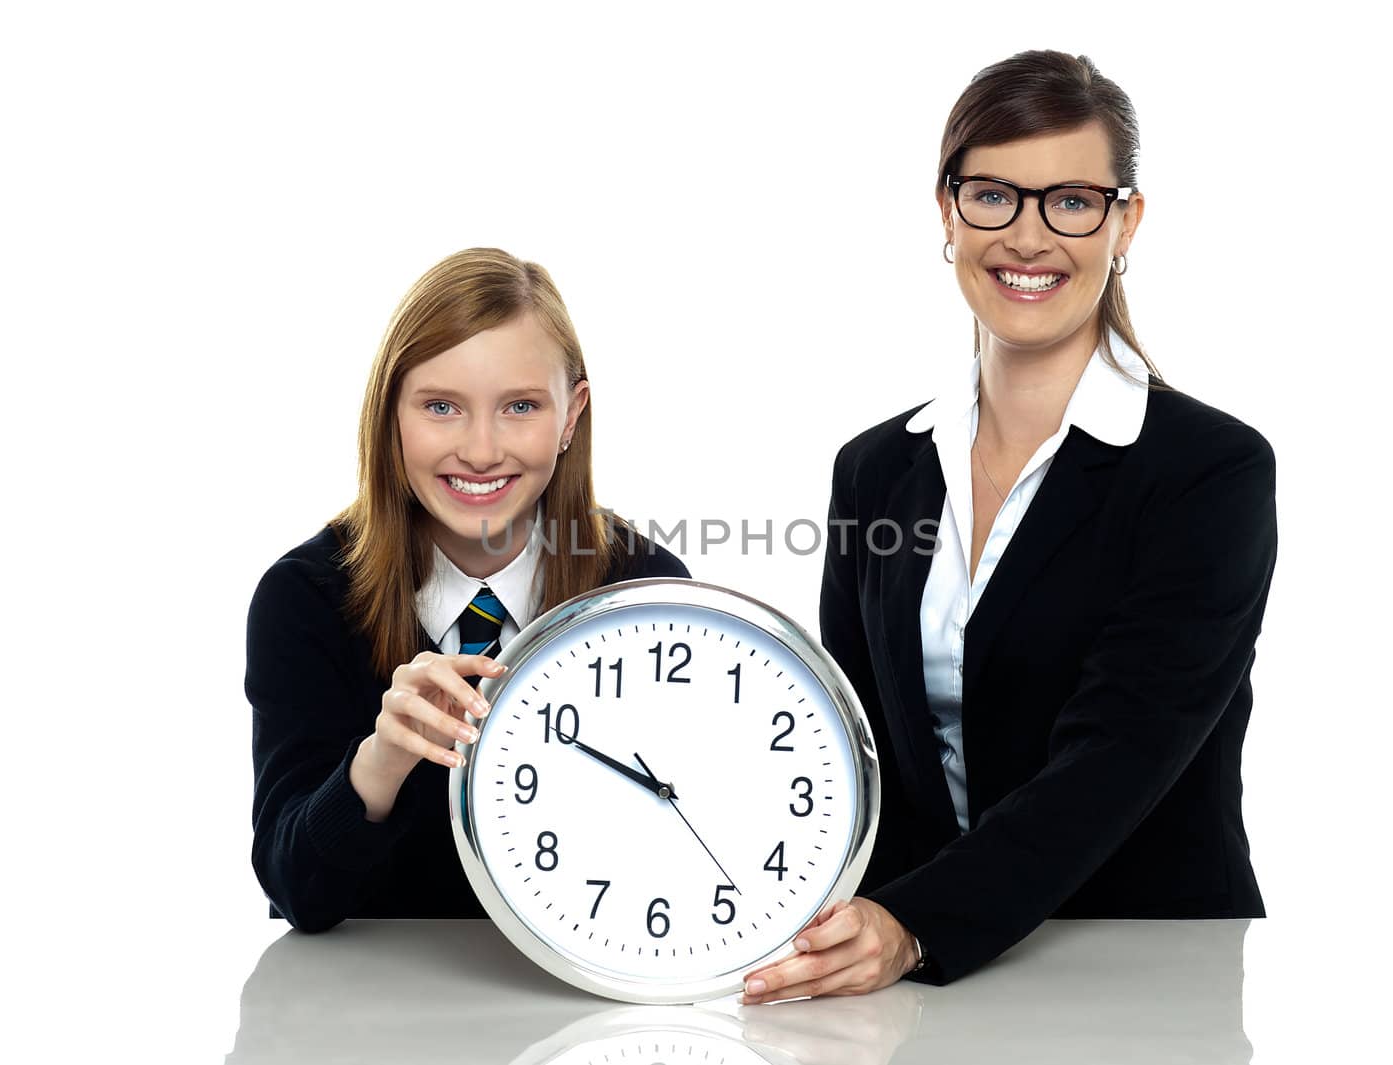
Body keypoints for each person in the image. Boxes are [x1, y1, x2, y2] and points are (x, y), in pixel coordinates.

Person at [742, 50, 1277, 1002]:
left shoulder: (1209, 473)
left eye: (1071, 200)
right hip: (913, 986)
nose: (1029, 237)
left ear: (1125, 223)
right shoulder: (873, 471)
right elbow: (854, 746)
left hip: (1144, 976)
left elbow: (1119, 753)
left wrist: (915, 925)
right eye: (993, 195)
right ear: (946, 213)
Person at [247, 248, 688, 932]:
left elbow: (669, 851)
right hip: (365, 1018)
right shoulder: (305, 599)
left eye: (519, 406)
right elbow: (295, 888)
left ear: (571, 416)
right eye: (442, 406)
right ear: (392, 412)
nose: (481, 450)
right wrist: (381, 758)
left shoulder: (642, 587)